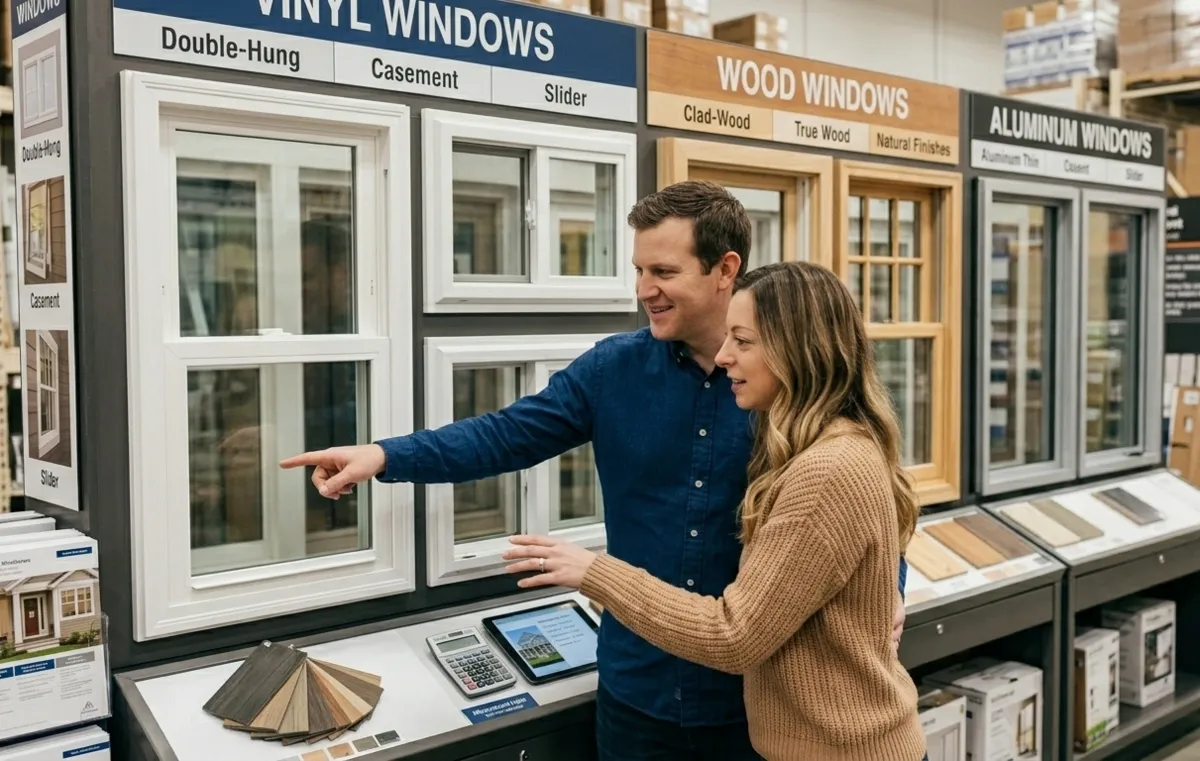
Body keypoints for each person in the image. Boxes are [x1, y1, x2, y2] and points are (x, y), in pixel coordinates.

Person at [279, 181, 910, 761]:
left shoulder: (789, 400)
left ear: (725, 270)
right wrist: (387, 456)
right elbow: (507, 434)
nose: (644, 289)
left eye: (664, 271)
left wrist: (889, 592)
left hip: (755, 705)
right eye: (639, 270)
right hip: (639, 692)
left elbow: (861, 512)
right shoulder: (614, 369)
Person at [501, 261, 926, 760]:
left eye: (743, 342)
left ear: (799, 352)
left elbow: (734, 636)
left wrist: (596, 572)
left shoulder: (825, 471)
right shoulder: (836, 445)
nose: (724, 358)